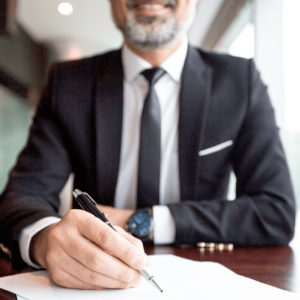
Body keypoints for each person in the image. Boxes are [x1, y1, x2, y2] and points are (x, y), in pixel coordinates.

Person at [0, 0, 296, 291]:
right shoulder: (68, 83)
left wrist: (143, 221)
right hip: (93, 283)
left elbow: (275, 211)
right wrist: (44, 240)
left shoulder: (240, 81)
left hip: (202, 284)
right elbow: (22, 196)